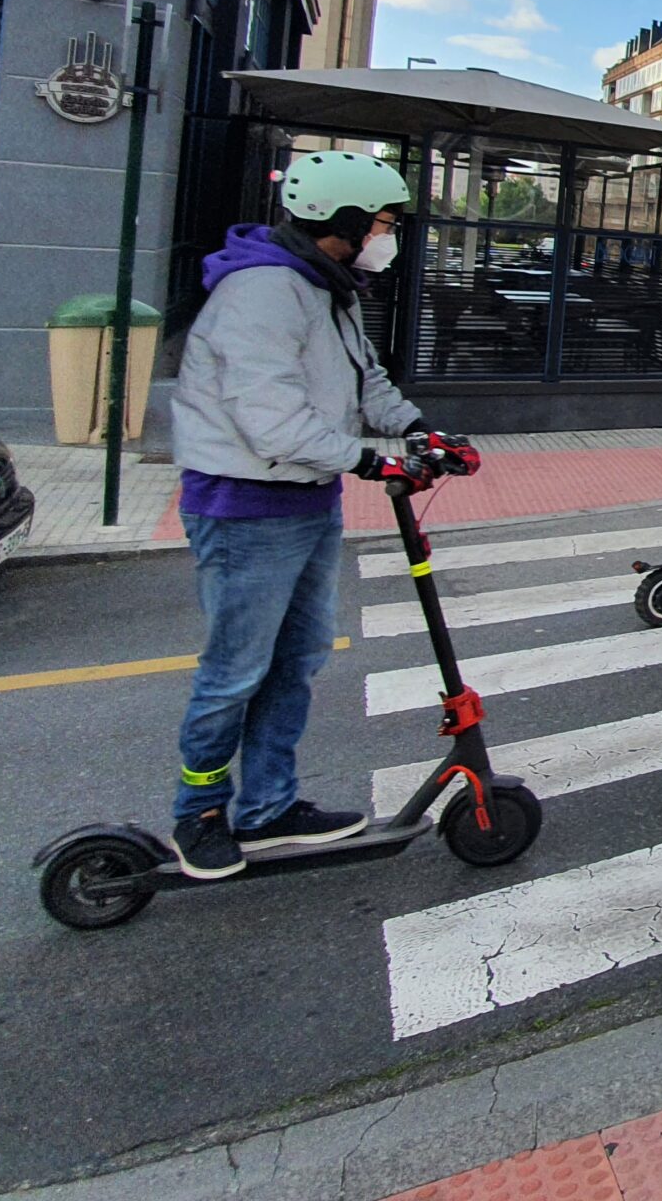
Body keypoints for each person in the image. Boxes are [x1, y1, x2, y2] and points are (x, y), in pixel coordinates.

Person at [165, 149, 431, 881]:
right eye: (379, 222)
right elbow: (271, 420)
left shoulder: (330, 288)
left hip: (308, 500)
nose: (386, 235)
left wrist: (416, 430)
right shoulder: (262, 294)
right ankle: (200, 815)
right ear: (341, 220)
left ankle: (269, 807)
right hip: (245, 504)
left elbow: (365, 379)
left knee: (297, 661)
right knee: (234, 671)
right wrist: (371, 461)